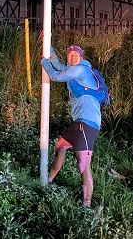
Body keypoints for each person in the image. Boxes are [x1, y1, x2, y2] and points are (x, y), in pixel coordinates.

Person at [41, 43, 102, 209]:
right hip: (79, 121)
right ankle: (48, 181)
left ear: (82, 57)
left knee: (83, 163)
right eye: (70, 54)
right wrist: (48, 47)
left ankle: (86, 206)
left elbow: (55, 75)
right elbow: (60, 67)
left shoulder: (81, 70)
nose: (73, 56)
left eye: (76, 54)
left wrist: (44, 62)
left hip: (87, 122)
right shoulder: (72, 70)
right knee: (60, 146)